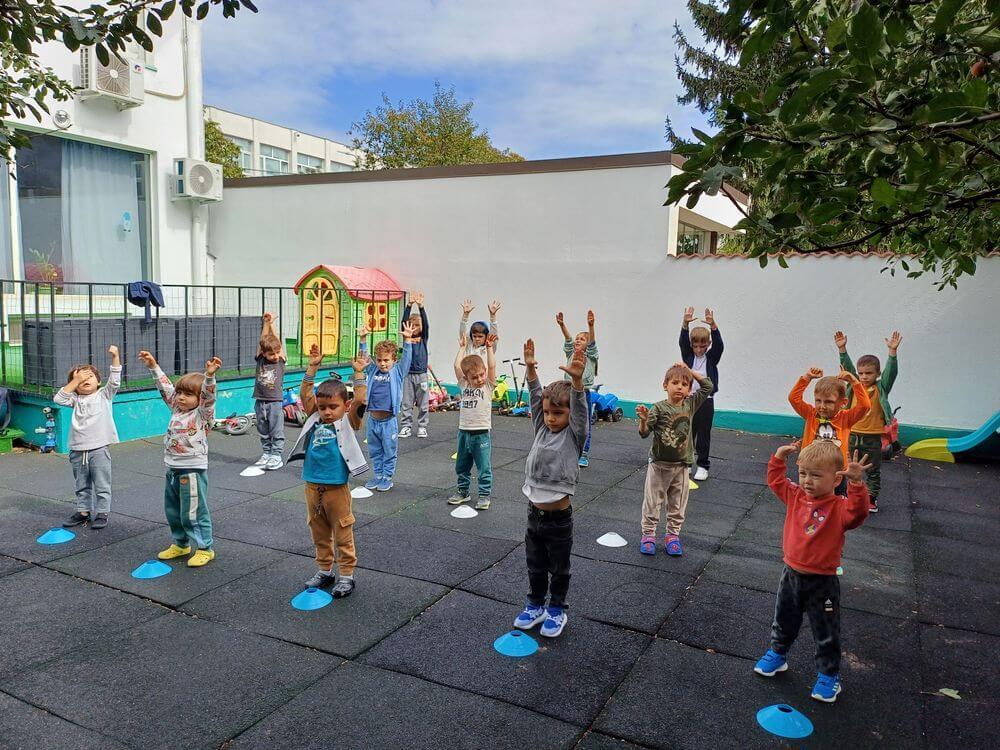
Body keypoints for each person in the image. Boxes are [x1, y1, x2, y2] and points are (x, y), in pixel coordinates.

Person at [753, 439, 871, 704]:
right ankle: (778, 654)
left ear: (836, 478)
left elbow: (859, 513)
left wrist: (856, 484)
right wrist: (778, 458)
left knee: (825, 631)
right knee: (783, 620)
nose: (807, 480)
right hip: (791, 574)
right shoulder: (796, 496)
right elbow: (776, 482)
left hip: (823, 582)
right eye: (803, 473)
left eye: (816, 475)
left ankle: (829, 676)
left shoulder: (839, 507)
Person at [512, 339, 588, 639]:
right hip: (534, 516)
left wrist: (578, 381)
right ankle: (535, 606)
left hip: (559, 520)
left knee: (559, 568)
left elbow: (581, 412)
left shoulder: (573, 436)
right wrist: (530, 369)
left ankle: (557, 609)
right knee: (535, 565)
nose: (550, 418)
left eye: (557, 413)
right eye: (547, 413)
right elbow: (534, 398)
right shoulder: (542, 427)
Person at [287, 344, 368, 598]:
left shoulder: (348, 419)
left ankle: (346, 575)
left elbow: (361, 400)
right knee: (319, 531)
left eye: (333, 407)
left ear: (345, 405)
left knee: (342, 531)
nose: (327, 412)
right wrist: (312, 367)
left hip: (337, 489)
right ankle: (324, 570)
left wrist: (358, 375)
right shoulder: (314, 417)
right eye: (323, 408)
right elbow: (305, 394)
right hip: (312, 486)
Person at [139, 350, 221, 567]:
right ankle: (181, 543)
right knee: (173, 509)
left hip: (192, 468)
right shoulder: (176, 408)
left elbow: (209, 397)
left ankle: (205, 547)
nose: (181, 397)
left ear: (199, 398)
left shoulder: (202, 414)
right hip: (172, 467)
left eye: (188, 394)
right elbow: (165, 388)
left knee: (193, 511)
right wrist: (153, 366)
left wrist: (210, 376)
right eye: (180, 393)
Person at [635, 362, 713, 556]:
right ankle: (648, 535)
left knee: (677, 505)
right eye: (675, 382)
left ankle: (672, 536)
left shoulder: (690, 404)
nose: (680, 387)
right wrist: (644, 419)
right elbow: (644, 434)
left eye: (684, 384)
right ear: (665, 385)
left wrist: (689, 370)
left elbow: (708, 387)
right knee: (653, 503)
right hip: (659, 466)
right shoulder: (659, 408)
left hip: (682, 466)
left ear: (689, 389)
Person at [54, 345, 122, 530]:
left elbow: (115, 381)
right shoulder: (74, 399)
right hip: (77, 449)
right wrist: (74, 381)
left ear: (99, 382)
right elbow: (59, 399)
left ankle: (102, 513)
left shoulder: (104, 396)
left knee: (102, 483)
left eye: (89, 376)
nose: (85, 379)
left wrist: (115, 356)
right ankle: (83, 512)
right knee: (81, 484)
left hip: (98, 449)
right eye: (80, 378)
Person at [835, 330, 902, 512]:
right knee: (848, 465)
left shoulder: (881, 387)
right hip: (852, 433)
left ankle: (871, 498)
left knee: (872, 469)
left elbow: (891, 373)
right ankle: (849, 493)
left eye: (869, 373)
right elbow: (847, 370)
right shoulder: (854, 386)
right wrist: (842, 349)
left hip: (872, 437)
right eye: (861, 373)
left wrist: (892, 353)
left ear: (877, 373)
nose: (864, 377)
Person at [358, 320, 415, 492]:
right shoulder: (373, 370)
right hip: (373, 420)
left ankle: (387, 477)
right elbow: (363, 359)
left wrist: (408, 341)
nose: (383, 364)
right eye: (380, 360)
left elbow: (407, 359)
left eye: (386, 360)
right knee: (375, 451)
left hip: (388, 421)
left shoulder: (397, 371)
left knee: (389, 451)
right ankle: (378, 475)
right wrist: (362, 339)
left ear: (393, 359)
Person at [788, 366, 870, 474]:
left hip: (836, 470)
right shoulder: (810, 414)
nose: (822, 406)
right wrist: (807, 377)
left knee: (837, 491)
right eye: (818, 400)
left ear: (843, 403)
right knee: (807, 490)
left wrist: (854, 381)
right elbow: (793, 398)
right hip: (809, 467)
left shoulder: (846, 418)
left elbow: (865, 406)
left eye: (829, 402)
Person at [448, 331, 497, 510]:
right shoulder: (464, 385)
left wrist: (489, 349)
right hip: (464, 432)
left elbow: (491, 367)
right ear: (466, 378)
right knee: (461, 465)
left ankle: (484, 495)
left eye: (481, 375)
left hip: (481, 434)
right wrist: (462, 348)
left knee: (484, 467)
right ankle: (463, 491)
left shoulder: (488, 385)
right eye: (474, 377)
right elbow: (456, 365)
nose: (479, 379)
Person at [679, 306, 724, 481]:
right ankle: (687, 463)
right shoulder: (688, 357)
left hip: (706, 399)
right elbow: (682, 342)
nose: (699, 349)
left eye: (702, 345)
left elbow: (720, 345)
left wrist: (713, 326)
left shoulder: (711, 358)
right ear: (692, 345)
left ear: (708, 344)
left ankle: (703, 465)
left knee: (703, 434)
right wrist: (685, 324)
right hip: (690, 400)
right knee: (689, 432)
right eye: (695, 345)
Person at [556, 309, 599, 467]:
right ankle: (566, 448)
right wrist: (562, 325)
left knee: (584, 422)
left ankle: (583, 453)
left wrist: (591, 326)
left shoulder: (591, 356)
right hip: (567, 391)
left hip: (583, 392)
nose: (577, 341)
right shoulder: (571, 354)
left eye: (582, 339)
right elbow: (568, 340)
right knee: (566, 420)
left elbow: (593, 344)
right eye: (577, 339)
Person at [252, 312, 287, 470]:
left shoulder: (280, 361)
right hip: (260, 400)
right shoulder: (260, 360)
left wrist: (272, 325)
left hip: (275, 402)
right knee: (262, 428)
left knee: (276, 429)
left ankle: (276, 455)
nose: (275, 356)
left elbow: (276, 343)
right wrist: (265, 324)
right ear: (264, 354)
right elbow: (262, 342)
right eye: (271, 353)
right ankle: (267, 453)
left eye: (277, 352)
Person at [399, 292, 430, 439]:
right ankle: (406, 426)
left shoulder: (423, 338)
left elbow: (426, 323)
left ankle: (422, 427)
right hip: (408, 375)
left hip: (422, 375)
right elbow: (404, 322)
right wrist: (409, 306)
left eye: (417, 325)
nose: (414, 327)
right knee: (406, 402)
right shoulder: (407, 338)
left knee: (423, 403)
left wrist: (421, 307)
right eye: (412, 325)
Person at [459, 299, 501, 363]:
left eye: (480, 336)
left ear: (486, 336)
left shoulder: (489, 347)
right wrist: (465, 315)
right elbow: (463, 333)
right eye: (474, 336)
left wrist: (493, 316)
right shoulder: (469, 345)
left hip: (486, 373)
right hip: (470, 373)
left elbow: (494, 334)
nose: (477, 339)